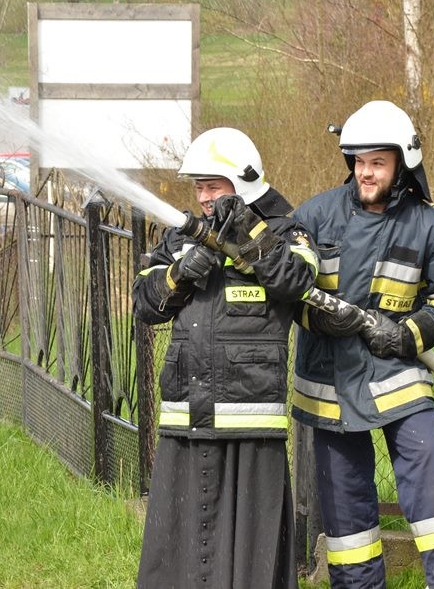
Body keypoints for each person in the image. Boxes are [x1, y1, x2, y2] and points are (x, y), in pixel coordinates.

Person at [292, 100, 434, 589]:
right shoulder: (314, 216)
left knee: (427, 461)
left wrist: (406, 334)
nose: (366, 172)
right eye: (359, 161)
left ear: (402, 164)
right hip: (329, 383)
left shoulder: (431, 229)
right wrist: (317, 316)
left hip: (396, 372)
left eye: (377, 162)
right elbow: (286, 286)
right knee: (345, 499)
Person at [133, 127, 318, 589]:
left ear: (244, 184)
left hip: (250, 420)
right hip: (186, 416)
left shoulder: (285, 232)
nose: (203, 198)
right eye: (199, 187)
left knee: (251, 556)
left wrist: (248, 233)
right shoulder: (180, 238)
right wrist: (178, 275)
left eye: (213, 186)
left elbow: (297, 281)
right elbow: (144, 303)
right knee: (177, 550)